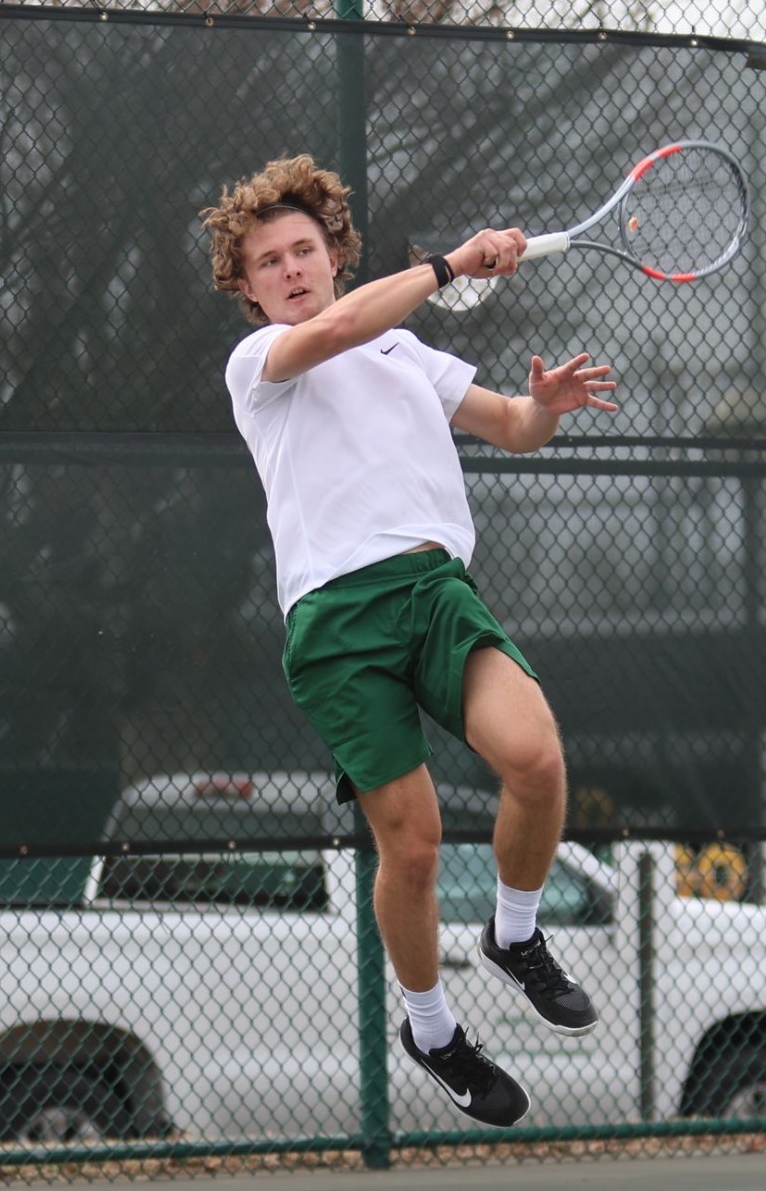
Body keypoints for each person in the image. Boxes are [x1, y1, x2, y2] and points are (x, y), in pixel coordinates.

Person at [202, 154, 619, 1127]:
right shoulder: (256, 367)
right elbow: (341, 326)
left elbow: (510, 427)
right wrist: (450, 266)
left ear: (333, 253)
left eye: (304, 249)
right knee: (416, 847)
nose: (291, 270)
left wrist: (544, 410)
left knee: (536, 757)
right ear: (249, 286)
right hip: (336, 626)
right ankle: (431, 1031)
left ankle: (513, 936)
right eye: (268, 262)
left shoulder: (406, 357)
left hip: (433, 590)